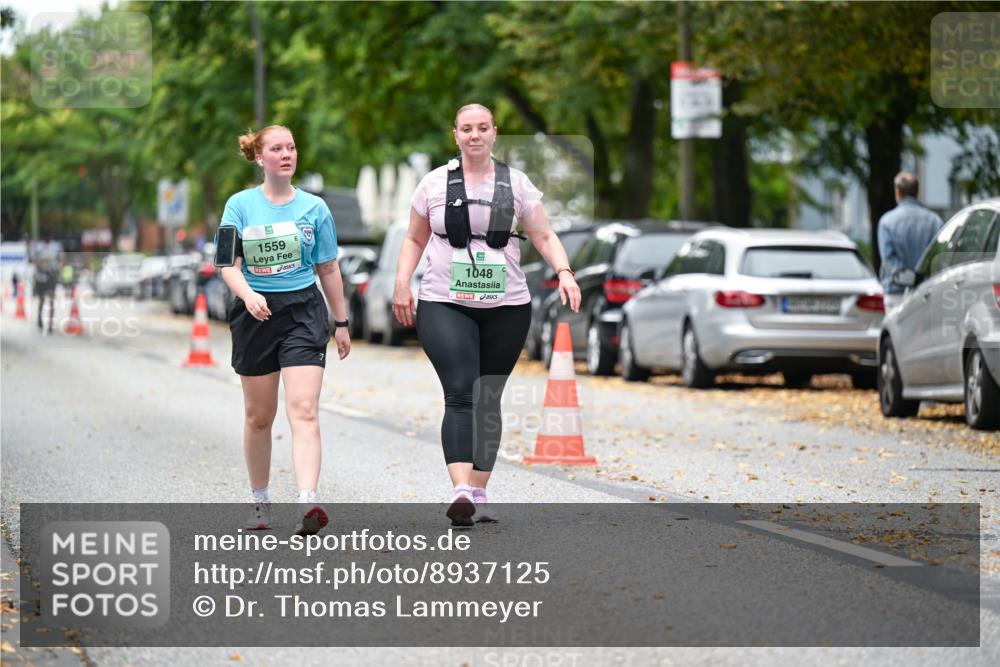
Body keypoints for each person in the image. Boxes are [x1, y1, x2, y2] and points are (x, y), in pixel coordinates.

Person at [393, 103, 582, 526]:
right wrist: (402, 281)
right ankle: (460, 488)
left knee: (488, 397)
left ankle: (479, 488)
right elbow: (413, 238)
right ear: (455, 135)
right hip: (445, 301)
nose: (474, 135)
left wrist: (565, 272)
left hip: (506, 305)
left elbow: (544, 234)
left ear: (494, 133)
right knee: (461, 390)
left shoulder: (517, 184)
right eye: (466, 129)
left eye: (482, 128)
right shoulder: (434, 184)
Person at [218, 125, 351, 535]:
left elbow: (328, 267)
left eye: (291, 147)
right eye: (277, 148)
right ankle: (259, 501)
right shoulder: (239, 206)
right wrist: (248, 294)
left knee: (305, 410)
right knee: (260, 416)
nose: (286, 154)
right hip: (254, 314)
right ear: (260, 158)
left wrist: (341, 322)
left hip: (303, 312)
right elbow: (226, 264)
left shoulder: (315, 209)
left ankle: (308, 501)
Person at [877, 171, 944, 310]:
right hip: (926, 293)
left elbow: (889, 259)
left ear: (898, 192)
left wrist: (907, 278)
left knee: (895, 331)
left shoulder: (886, 222)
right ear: (917, 192)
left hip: (896, 294)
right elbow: (939, 257)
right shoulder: (934, 221)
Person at [30, 231, 62, 334]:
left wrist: (58, 268)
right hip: (41, 277)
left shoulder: (56, 246)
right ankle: (40, 317)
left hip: (51, 276)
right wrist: (40, 263)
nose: (47, 237)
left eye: (49, 235)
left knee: (51, 300)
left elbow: (61, 259)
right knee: (41, 300)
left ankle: (50, 323)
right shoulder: (38, 246)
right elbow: (32, 259)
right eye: (46, 235)